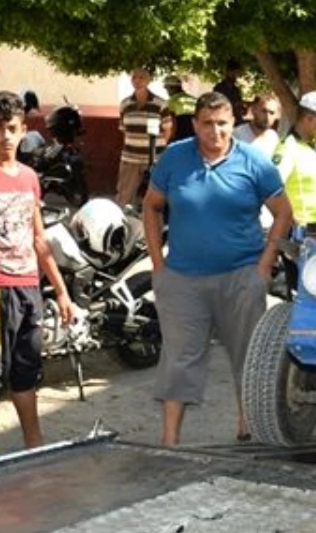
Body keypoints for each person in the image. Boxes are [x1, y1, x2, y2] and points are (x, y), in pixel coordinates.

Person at [143, 92, 293, 446]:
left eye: (222, 124)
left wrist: (264, 267)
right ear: (194, 124)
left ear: (233, 124)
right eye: (207, 124)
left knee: (247, 355)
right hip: (181, 278)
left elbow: (284, 213)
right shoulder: (175, 158)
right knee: (179, 358)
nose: (215, 131)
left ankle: (247, 425)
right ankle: (169, 441)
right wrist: (158, 265)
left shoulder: (255, 162)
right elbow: (151, 207)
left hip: (241, 276)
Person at [0, 91, 75, 459]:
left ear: (24, 130)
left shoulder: (29, 178)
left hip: (28, 289)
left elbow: (39, 239)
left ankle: (33, 446)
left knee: (27, 369)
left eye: (12, 128)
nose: (5, 136)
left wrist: (61, 290)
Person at [274, 91, 316, 225]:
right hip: (300, 233)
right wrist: (290, 222)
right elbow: (272, 191)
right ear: (309, 118)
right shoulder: (288, 148)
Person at [117, 67, 167, 208]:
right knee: (124, 197)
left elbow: (168, 130)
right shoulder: (125, 104)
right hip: (130, 158)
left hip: (155, 159)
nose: (137, 81)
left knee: (158, 197)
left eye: (141, 77)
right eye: (134, 78)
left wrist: (159, 151)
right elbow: (124, 130)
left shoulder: (160, 104)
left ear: (148, 80)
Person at [163, 75, 199, 145]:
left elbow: (173, 121)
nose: (167, 92)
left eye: (167, 89)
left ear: (172, 88)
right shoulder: (194, 99)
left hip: (180, 135)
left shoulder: (171, 101)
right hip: (195, 135)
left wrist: (170, 139)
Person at [212, 59, 246, 124]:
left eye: (236, 73)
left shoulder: (236, 90)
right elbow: (216, 106)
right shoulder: (219, 88)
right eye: (233, 72)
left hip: (236, 121)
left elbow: (240, 107)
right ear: (227, 72)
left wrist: (242, 108)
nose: (235, 75)